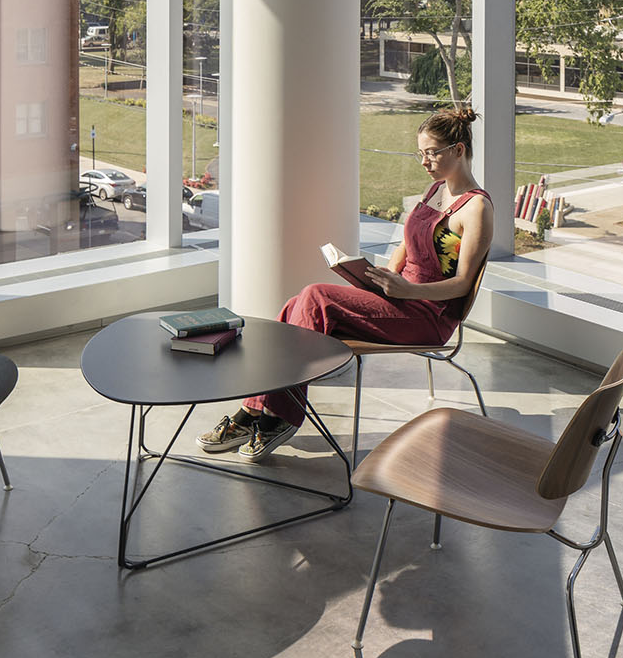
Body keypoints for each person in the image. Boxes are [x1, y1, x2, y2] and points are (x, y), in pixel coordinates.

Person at [198, 104, 493, 462]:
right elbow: (406, 246)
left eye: (431, 153)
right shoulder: (435, 191)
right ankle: (257, 409)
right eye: (420, 153)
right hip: (400, 296)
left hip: (429, 315)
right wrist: (376, 276)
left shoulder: (476, 208)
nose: (424, 162)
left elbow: (462, 284)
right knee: (295, 306)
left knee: (315, 297)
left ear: (458, 151)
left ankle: (279, 416)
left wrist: (408, 290)